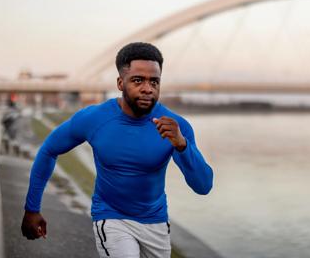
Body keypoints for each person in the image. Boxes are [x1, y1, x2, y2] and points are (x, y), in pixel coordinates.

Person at [21, 42, 214, 257]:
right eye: (138, 80)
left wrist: (182, 145)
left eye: (154, 81)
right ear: (120, 83)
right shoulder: (95, 118)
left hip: (156, 222)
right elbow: (49, 149)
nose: (148, 88)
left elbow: (203, 186)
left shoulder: (176, 126)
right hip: (111, 217)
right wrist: (32, 208)